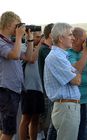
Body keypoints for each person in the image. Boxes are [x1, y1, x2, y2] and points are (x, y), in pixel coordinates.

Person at [44, 23, 81, 140]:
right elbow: (76, 80)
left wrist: (74, 72)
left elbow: (76, 77)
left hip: (67, 107)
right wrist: (75, 72)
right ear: (60, 38)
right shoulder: (56, 57)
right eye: (70, 34)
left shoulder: (61, 56)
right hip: (66, 108)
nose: (73, 38)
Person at [0, 11, 33, 140]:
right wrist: (19, 37)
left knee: (7, 129)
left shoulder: (10, 43)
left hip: (13, 89)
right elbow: (14, 56)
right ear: (8, 25)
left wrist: (29, 38)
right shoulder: (1, 42)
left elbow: (28, 57)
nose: (19, 28)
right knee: (8, 131)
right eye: (16, 25)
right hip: (6, 89)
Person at [67, 27, 87, 140]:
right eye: (84, 39)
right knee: (76, 134)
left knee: (85, 133)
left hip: (85, 100)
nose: (86, 42)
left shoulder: (84, 53)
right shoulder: (68, 53)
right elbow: (77, 69)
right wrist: (86, 53)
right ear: (76, 40)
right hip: (73, 101)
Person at [19, 30, 45, 140]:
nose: (38, 39)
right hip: (28, 88)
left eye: (40, 37)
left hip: (39, 88)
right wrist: (40, 44)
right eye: (37, 37)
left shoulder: (40, 48)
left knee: (35, 118)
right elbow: (32, 59)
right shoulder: (24, 47)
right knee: (26, 118)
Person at [38, 23, 56, 140]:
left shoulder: (48, 49)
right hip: (47, 94)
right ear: (51, 35)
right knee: (49, 125)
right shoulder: (44, 50)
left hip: (49, 93)